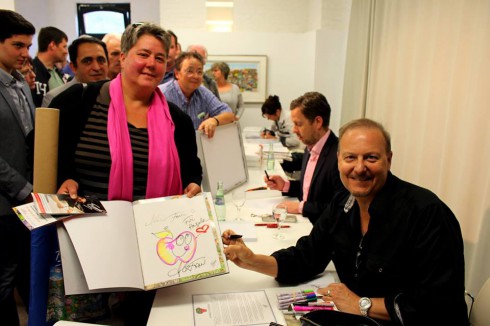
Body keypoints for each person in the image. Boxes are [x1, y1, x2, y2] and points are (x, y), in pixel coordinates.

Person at [224, 118, 468, 325]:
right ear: (339, 159)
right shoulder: (343, 202)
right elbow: (307, 256)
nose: (359, 168)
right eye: (351, 158)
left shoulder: (427, 214)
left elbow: (437, 307)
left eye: (371, 158)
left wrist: (361, 304)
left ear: (389, 159)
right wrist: (253, 260)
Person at [49, 22, 203, 324]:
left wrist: (193, 184)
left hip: (151, 248)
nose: (151, 64)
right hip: (86, 241)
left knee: (141, 318)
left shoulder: (177, 120)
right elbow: (47, 156)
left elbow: (192, 169)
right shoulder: (78, 103)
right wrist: (64, 178)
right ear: (123, 57)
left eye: (160, 58)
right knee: (87, 321)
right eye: (143, 54)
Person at [0, 9, 36, 325]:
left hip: (28, 202)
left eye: (28, 46)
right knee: (2, 284)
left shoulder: (21, 84)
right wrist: (24, 190)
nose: (26, 53)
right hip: (3, 203)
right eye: (17, 45)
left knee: (29, 274)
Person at [265, 92, 343, 224]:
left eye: (299, 124)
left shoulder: (340, 156)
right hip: (305, 222)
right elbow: (310, 190)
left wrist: (301, 207)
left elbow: (339, 209)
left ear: (317, 122)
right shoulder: (310, 146)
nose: (294, 130)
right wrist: (285, 185)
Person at [159, 51, 235, 138]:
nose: (195, 76)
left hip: (195, 148)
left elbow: (229, 114)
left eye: (199, 72)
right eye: (190, 71)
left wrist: (214, 120)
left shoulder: (203, 93)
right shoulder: (162, 94)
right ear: (177, 74)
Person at [42, 35, 109, 107]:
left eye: (101, 60)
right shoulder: (55, 98)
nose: (96, 67)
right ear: (73, 67)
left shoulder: (117, 94)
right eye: (87, 61)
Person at [31, 26, 68, 107]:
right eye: (64, 47)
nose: (66, 52)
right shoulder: (31, 72)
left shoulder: (58, 72)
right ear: (52, 45)